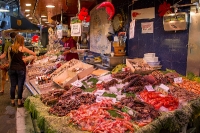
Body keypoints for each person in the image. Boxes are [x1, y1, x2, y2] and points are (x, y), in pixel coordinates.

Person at [8, 34, 36, 107]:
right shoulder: (22, 48)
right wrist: (26, 59)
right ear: (21, 41)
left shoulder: (10, 48)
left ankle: (12, 101)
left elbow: (10, 60)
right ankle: (19, 102)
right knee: (20, 85)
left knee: (13, 85)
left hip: (12, 68)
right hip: (20, 69)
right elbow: (34, 54)